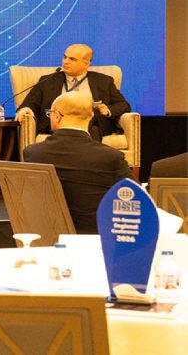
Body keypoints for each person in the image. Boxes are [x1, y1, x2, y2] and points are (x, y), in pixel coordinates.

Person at [23, 92, 133, 234]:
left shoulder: (33, 153)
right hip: (96, 238)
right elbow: (137, 198)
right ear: (91, 116)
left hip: (48, 238)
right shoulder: (110, 157)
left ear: (56, 116)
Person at [16, 43, 131, 142]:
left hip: (91, 124)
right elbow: (29, 103)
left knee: (93, 128)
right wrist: (26, 109)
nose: (65, 62)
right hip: (59, 125)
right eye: (65, 57)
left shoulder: (103, 81)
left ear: (86, 64)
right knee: (85, 132)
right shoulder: (48, 81)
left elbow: (124, 105)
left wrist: (107, 110)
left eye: (72, 59)